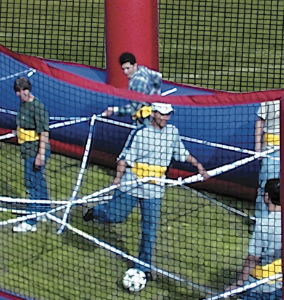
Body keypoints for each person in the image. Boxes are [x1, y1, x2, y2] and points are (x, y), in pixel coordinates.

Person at [84, 102, 208, 279]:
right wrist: (118, 179)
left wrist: (199, 167)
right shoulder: (139, 133)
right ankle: (96, 211)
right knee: (116, 216)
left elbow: (182, 153)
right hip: (132, 184)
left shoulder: (172, 132)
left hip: (154, 191)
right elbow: (124, 159)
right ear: (153, 113)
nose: (166, 118)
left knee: (149, 230)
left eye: (168, 115)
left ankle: (143, 267)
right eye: (162, 114)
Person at [227, 178, 283, 300]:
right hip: (279, 285)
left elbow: (252, 258)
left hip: (258, 285)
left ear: (267, 197)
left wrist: (239, 283)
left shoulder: (264, 224)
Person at [254, 73, 284, 219]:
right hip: (272, 150)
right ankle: (261, 219)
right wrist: (258, 149)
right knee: (267, 185)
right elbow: (260, 122)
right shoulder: (273, 101)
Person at [13, 76, 50, 233]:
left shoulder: (38, 107)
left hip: (35, 150)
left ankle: (30, 221)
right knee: (38, 180)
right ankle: (44, 210)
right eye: (19, 91)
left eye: (25, 90)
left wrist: (40, 155)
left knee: (31, 183)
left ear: (29, 89)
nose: (22, 94)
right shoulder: (23, 104)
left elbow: (44, 133)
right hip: (27, 148)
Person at [101, 52, 163, 119]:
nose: (125, 72)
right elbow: (158, 76)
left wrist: (113, 111)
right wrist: (155, 93)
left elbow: (134, 109)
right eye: (123, 69)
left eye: (128, 68)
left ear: (135, 65)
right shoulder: (142, 69)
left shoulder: (137, 83)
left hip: (147, 116)